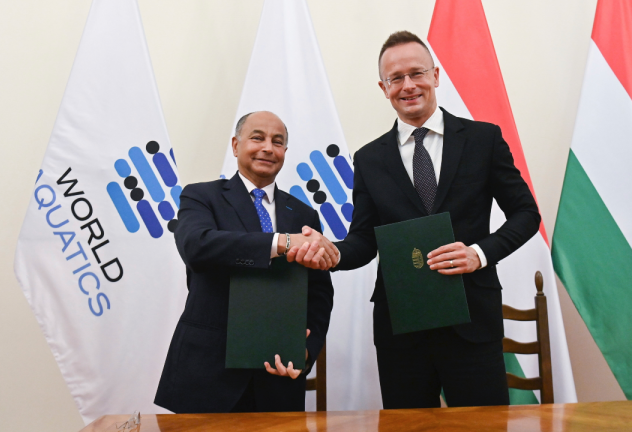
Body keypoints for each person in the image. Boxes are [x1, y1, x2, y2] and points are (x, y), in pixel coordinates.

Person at [292, 31, 540, 409]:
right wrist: (333, 253)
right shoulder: (370, 158)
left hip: (472, 319)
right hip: (400, 328)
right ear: (383, 87)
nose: (408, 85)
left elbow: (526, 214)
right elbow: (363, 240)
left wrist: (479, 253)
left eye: (416, 73)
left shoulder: (483, 139)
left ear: (435, 75)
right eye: (396, 78)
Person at [154, 111, 336, 413]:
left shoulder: (304, 215)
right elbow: (196, 247)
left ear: (285, 154)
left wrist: (305, 351)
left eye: (277, 142)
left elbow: (318, 293)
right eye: (257, 138)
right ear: (236, 145)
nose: (267, 147)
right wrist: (282, 241)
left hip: (278, 378)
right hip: (207, 376)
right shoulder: (201, 196)